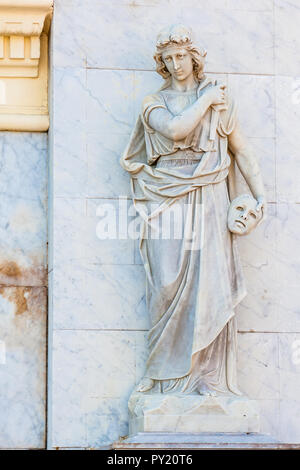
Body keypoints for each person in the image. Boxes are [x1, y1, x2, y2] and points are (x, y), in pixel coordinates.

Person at [121, 24, 266, 396]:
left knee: (211, 287)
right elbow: (175, 130)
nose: (175, 64)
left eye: (181, 56)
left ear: (193, 57)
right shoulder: (155, 103)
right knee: (165, 285)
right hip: (165, 198)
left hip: (211, 196)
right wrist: (207, 99)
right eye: (168, 59)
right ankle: (161, 375)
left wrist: (260, 197)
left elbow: (243, 152)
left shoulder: (221, 104)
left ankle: (207, 380)